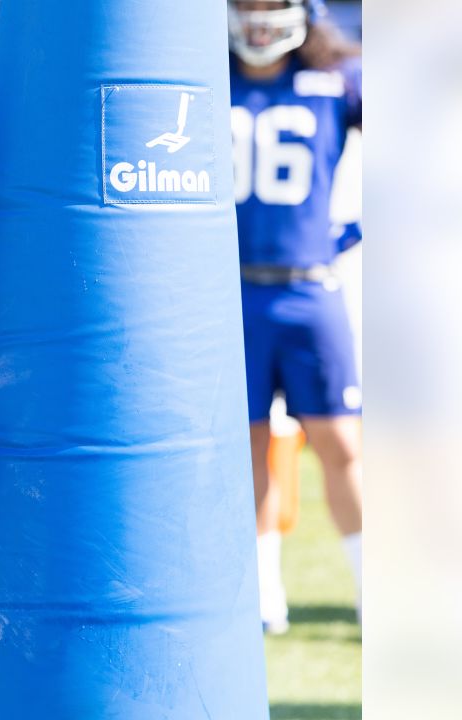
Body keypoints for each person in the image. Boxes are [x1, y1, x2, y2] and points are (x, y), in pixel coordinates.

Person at [228, 0, 363, 634]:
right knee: (246, 448)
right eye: (245, 5)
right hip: (227, 293)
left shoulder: (338, 79)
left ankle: (371, 586)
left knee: (341, 444)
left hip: (309, 290)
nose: (256, 19)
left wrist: (349, 231)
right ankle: (260, 596)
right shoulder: (203, 76)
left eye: (269, 5)